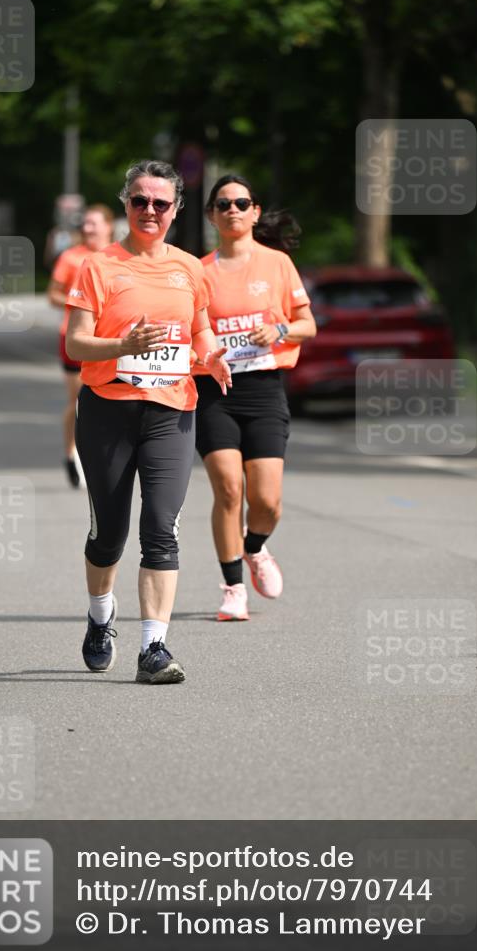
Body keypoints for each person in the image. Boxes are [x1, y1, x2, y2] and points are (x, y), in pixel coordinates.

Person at [65, 160, 231, 684]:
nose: (150, 211)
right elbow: (74, 343)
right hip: (107, 410)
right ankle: (100, 618)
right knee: (108, 534)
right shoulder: (98, 266)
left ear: (177, 209)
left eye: (161, 203)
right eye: (141, 201)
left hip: (172, 412)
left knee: (160, 529)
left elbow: (200, 328)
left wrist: (213, 354)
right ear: (126, 204)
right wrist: (123, 346)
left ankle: (153, 648)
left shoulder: (190, 268)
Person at [194, 175, 317, 621]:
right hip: (215, 391)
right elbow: (187, 330)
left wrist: (279, 329)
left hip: (264, 389)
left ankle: (255, 548)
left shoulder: (277, 264)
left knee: (266, 502)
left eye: (241, 203)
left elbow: (308, 324)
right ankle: (232, 588)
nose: (232, 210)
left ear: (255, 212)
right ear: (211, 215)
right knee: (228, 488)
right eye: (223, 204)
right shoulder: (198, 272)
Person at [48, 204, 115, 487]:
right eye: (85, 224)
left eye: (94, 224)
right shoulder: (71, 257)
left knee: (111, 400)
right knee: (81, 400)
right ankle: (72, 454)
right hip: (74, 336)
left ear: (108, 226)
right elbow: (52, 294)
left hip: (111, 338)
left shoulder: (119, 255)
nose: (87, 229)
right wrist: (81, 306)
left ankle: (105, 456)